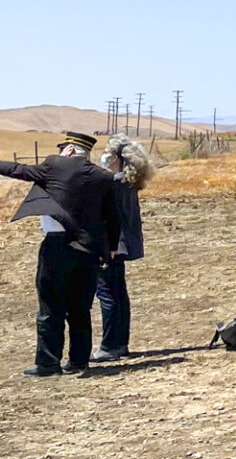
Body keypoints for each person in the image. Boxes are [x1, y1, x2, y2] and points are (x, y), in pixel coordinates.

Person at [0, 131, 119, 376]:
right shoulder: (103, 176)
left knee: (50, 306)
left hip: (57, 246)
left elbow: (21, 170)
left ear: (72, 150)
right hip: (88, 249)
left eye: (64, 147)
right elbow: (112, 215)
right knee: (80, 308)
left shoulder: (55, 165)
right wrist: (112, 247)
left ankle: (48, 363)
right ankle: (78, 361)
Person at [92, 135, 151, 362]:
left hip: (112, 245)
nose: (104, 157)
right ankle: (121, 343)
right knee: (119, 293)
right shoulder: (129, 181)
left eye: (107, 153)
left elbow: (110, 216)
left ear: (115, 157)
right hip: (123, 244)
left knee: (107, 294)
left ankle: (109, 346)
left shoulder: (114, 183)